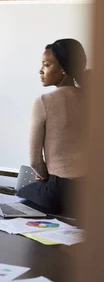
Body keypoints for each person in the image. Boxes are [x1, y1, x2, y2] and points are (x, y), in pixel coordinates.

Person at [18, 38, 88, 215]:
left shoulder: (44, 101)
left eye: (46, 65)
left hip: (60, 191)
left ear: (63, 68)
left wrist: (44, 176)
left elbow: (34, 160)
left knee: (21, 192)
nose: (40, 71)